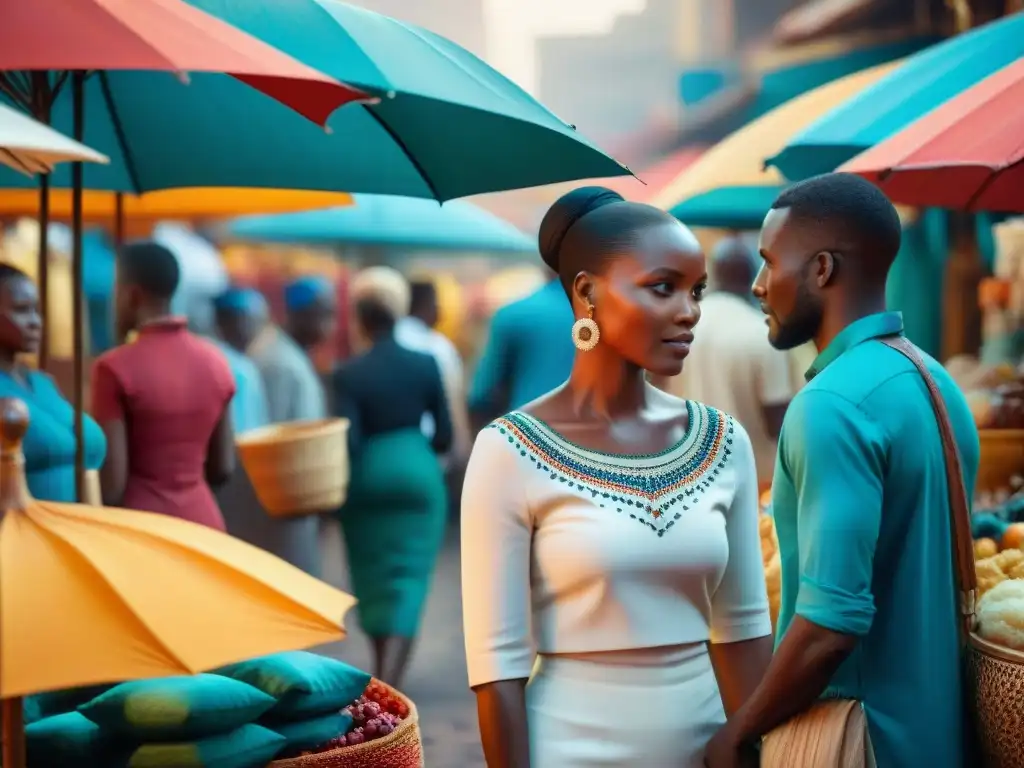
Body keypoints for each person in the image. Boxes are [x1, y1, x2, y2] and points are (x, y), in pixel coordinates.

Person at [461, 187, 773, 768]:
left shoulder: (723, 441)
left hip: (708, 748)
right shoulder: (507, 451)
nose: (689, 311)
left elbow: (745, 628)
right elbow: (497, 667)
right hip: (568, 748)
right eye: (663, 287)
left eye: (696, 290)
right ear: (587, 292)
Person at [703, 173, 980, 768]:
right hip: (939, 738)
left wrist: (736, 733)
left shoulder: (831, 405)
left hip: (859, 740)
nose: (757, 285)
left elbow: (830, 625)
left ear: (822, 269)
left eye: (769, 262)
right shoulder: (938, 383)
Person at [334, 266, 452, 688]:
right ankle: (390, 679)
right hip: (417, 471)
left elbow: (346, 439)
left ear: (361, 320)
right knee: (410, 577)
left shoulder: (348, 372)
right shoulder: (425, 363)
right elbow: (443, 434)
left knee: (372, 574)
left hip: (368, 474)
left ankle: (380, 669)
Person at [91, 241, 235, 529]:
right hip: (205, 525)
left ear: (131, 295)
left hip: (144, 529)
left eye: (115, 291)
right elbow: (223, 468)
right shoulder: (215, 361)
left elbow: (112, 487)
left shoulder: (113, 369)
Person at [215, 284, 325, 576]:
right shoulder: (273, 360)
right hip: (283, 492)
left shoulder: (274, 361)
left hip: (286, 492)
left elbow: (266, 435)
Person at [666, 235, 793, 486]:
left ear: (712, 274)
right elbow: (777, 423)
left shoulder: (678, 326)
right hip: (749, 485)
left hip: (688, 480)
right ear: (751, 279)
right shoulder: (762, 331)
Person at [0, 263, 106, 501]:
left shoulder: (44, 384)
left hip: (81, 528)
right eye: (21, 310)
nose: (36, 321)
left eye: (37, 310)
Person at [468, 266, 575, 426]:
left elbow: (482, 394)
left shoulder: (513, 314)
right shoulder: (606, 317)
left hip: (526, 434)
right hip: (597, 439)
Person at [395, 279, 471, 464]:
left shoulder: (391, 339)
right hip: (431, 450)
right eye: (437, 303)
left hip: (392, 449)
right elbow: (453, 401)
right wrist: (462, 448)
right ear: (426, 305)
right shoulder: (438, 346)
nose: (440, 311)